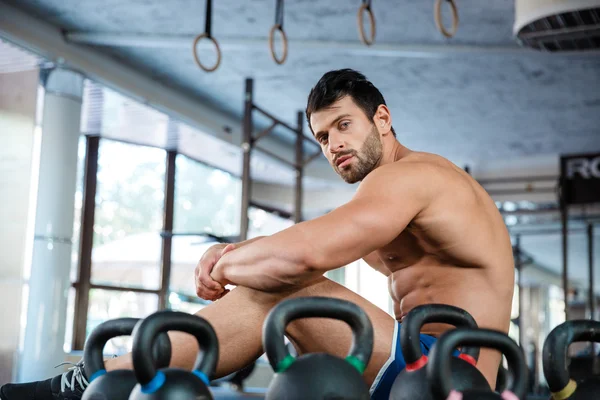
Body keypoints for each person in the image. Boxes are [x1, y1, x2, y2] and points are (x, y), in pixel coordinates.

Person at [1, 68, 515, 400]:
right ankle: (104, 376)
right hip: (413, 370)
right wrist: (243, 255)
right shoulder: (390, 191)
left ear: (382, 119)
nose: (333, 144)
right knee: (277, 288)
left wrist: (226, 261)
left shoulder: (411, 178)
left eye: (343, 125)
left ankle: (96, 380)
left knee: (290, 290)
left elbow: (304, 257)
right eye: (322, 136)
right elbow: (303, 246)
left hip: (450, 378)